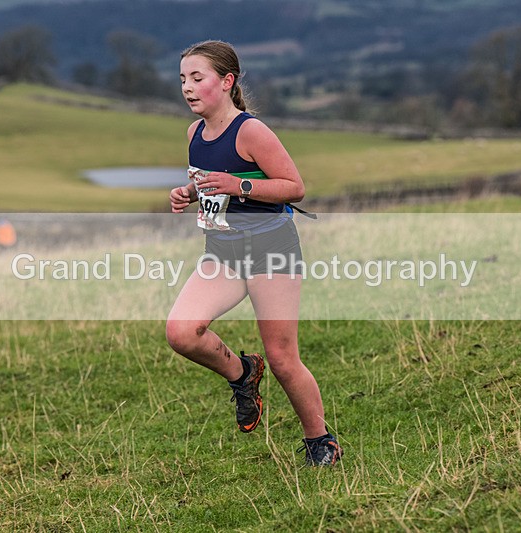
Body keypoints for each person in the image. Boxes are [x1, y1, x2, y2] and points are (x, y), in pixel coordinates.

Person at [166, 40, 342, 466]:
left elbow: (294, 187)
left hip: (271, 252)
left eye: (198, 78)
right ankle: (242, 373)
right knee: (181, 332)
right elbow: (212, 179)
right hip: (223, 253)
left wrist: (239, 186)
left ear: (226, 82)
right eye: (183, 79)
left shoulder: (250, 131)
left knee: (282, 358)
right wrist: (190, 192)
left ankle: (321, 442)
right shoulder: (194, 134)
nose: (188, 88)